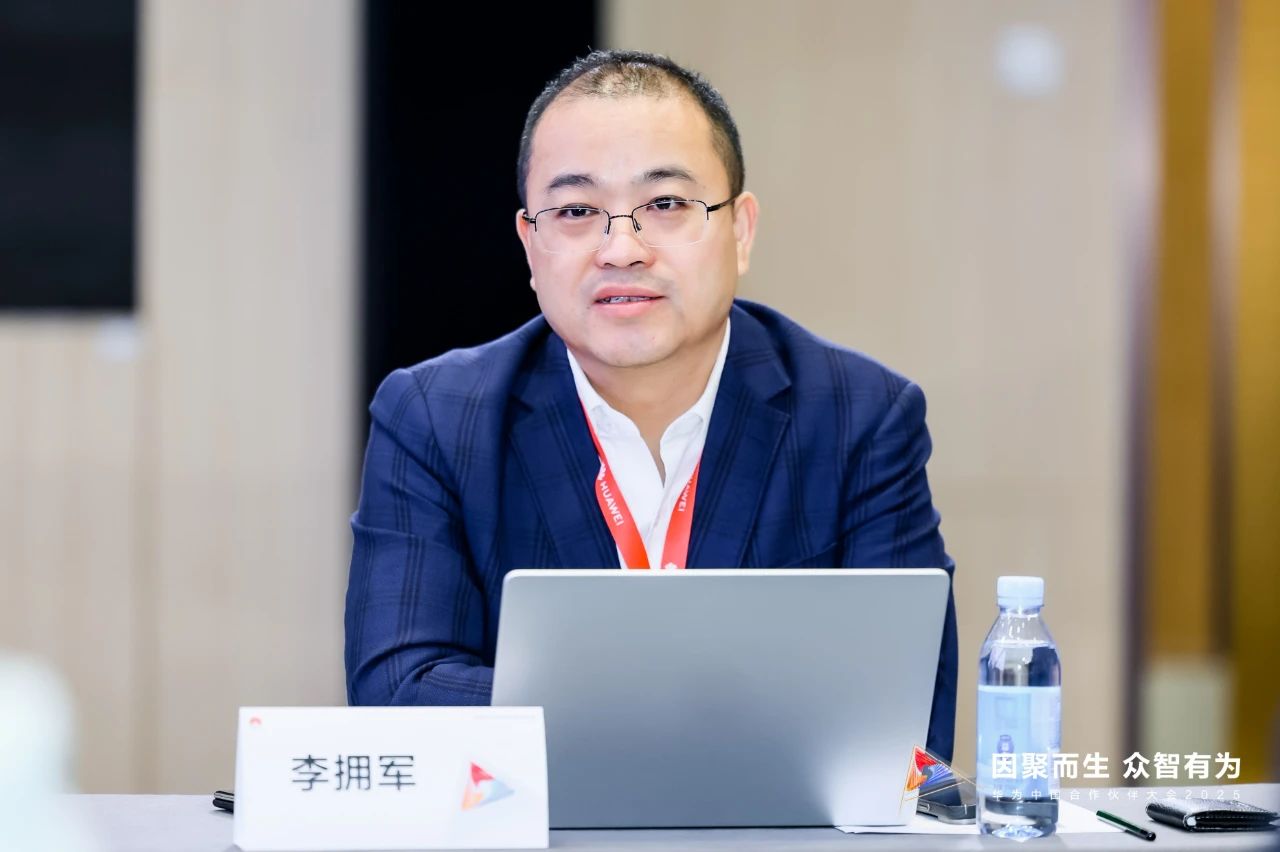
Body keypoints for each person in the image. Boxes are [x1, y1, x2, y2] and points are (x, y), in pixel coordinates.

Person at [345, 49, 959, 760]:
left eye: (665, 205)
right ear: (531, 245)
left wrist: (604, 716)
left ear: (741, 231)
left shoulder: (859, 417)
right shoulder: (436, 418)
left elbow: (906, 719)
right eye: (577, 211)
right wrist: (692, 717)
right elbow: (399, 694)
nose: (621, 249)